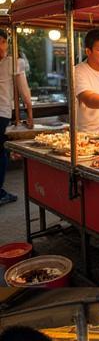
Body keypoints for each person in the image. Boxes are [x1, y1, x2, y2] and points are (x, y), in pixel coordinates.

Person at [0, 30, 32, 208]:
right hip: (2, 114)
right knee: (1, 153)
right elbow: (24, 91)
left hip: (3, 113)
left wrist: (29, 112)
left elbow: (23, 90)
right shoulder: (14, 62)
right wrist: (30, 112)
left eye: (2, 42)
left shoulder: (13, 62)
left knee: (2, 152)